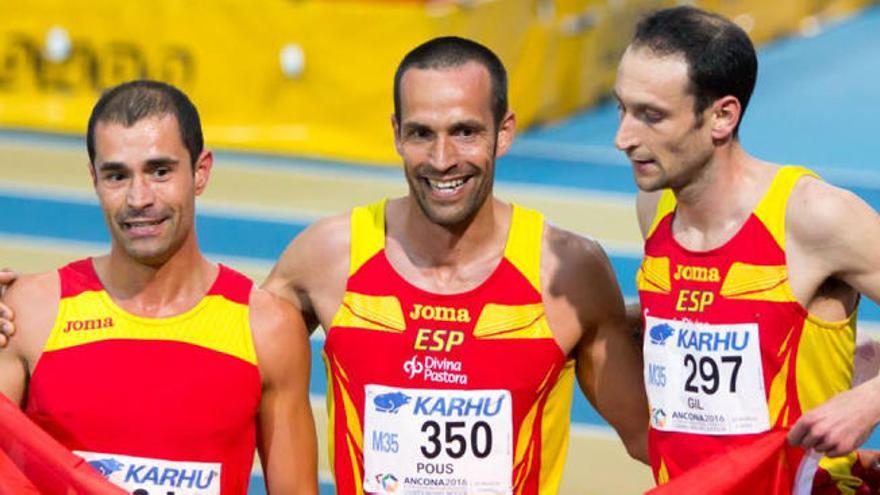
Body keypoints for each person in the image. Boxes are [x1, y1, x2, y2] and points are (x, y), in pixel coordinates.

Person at [256, 36, 648, 493]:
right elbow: (222, 387)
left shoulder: (568, 273)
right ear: (397, 134)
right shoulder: (325, 258)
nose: (443, 160)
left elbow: (649, 438)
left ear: (503, 132)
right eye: (422, 133)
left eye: (465, 132)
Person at [0, 80, 318, 494]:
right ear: (94, 178)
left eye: (160, 171)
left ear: (200, 172)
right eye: (117, 175)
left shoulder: (267, 328)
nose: (138, 197)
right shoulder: (29, 312)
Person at [614, 5, 880, 492]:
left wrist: (868, 402)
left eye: (651, 116)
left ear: (722, 116)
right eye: (622, 108)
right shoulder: (653, 206)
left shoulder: (812, 216)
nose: (623, 138)